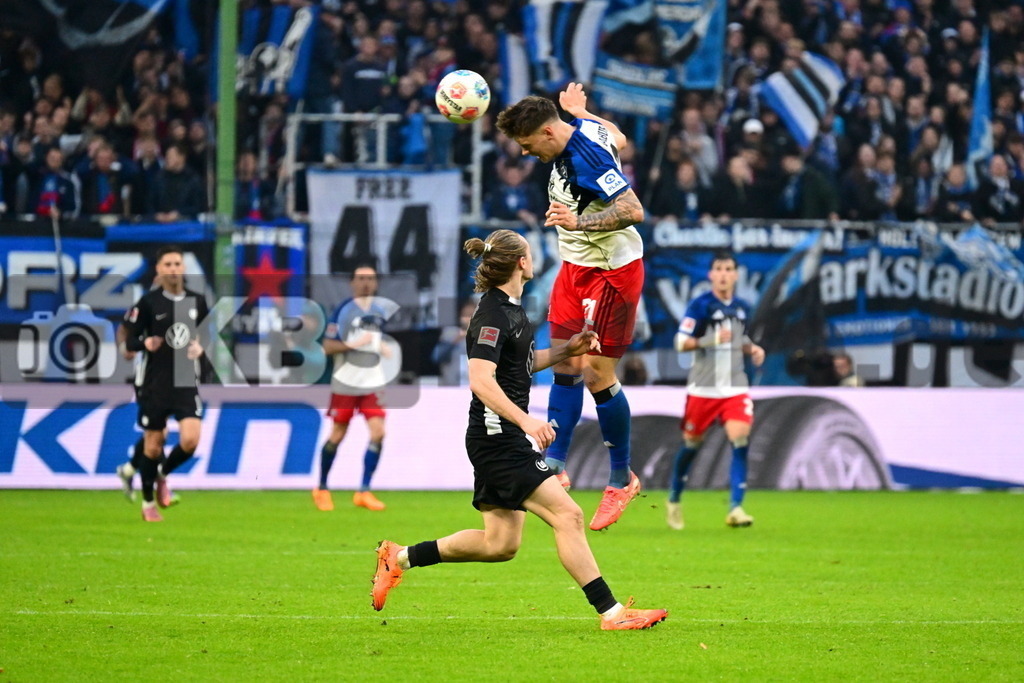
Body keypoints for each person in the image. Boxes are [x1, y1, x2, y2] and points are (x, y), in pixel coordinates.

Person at [371, 230, 667, 631]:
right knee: (570, 516)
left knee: (500, 545)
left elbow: (520, 365)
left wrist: (568, 349)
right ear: (522, 264)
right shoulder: (492, 316)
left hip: (494, 438)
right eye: (529, 252)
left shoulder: (511, 310)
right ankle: (612, 613)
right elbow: (481, 380)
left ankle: (399, 556)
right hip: (498, 439)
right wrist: (527, 421)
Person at [495, 83, 645, 531]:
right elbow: (618, 137)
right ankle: (556, 463)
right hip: (574, 265)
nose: (524, 155)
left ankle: (621, 477)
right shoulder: (579, 127)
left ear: (545, 133)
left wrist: (580, 221)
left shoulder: (585, 157)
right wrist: (584, 111)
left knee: (597, 373)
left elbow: (633, 208)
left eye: (526, 146)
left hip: (612, 270)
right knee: (565, 361)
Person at [667, 251, 765, 531]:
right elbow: (680, 343)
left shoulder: (743, 307)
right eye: (719, 269)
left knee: (740, 438)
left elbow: (738, 336)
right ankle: (674, 499)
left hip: (735, 387)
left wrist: (752, 347)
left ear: (736, 275)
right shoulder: (700, 306)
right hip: (703, 389)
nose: (723, 274)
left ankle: (736, 507)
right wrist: (711, 339)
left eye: (729, 269)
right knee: (691, 445)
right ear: (711, 274)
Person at [119, 246, 209, 522]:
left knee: (191, 440)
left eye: (177, 263)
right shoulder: (148, 303)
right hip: (154, 383)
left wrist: (200, 348)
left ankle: (162, 474)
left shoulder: (197, 301)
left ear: (183, 267)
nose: (172, 268)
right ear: (159, 269)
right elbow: (129, 340)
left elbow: (205, 336)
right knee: (154, 444)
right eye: (167, 264)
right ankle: (148, 504)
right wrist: (143, 342)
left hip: (184, 379)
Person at [313, 265, 394, 512]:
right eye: (360, 278)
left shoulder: (379, 311)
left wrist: (381, 348)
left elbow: (375, 341)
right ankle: (322, 488)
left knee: (378, 433)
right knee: (337, 434)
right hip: (346, 383)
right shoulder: (343, 311)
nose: (365, 283)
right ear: (352, 283)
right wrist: (355, 344)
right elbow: (327, 346)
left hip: (372, 382)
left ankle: (364, 491)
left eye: (370, 279)